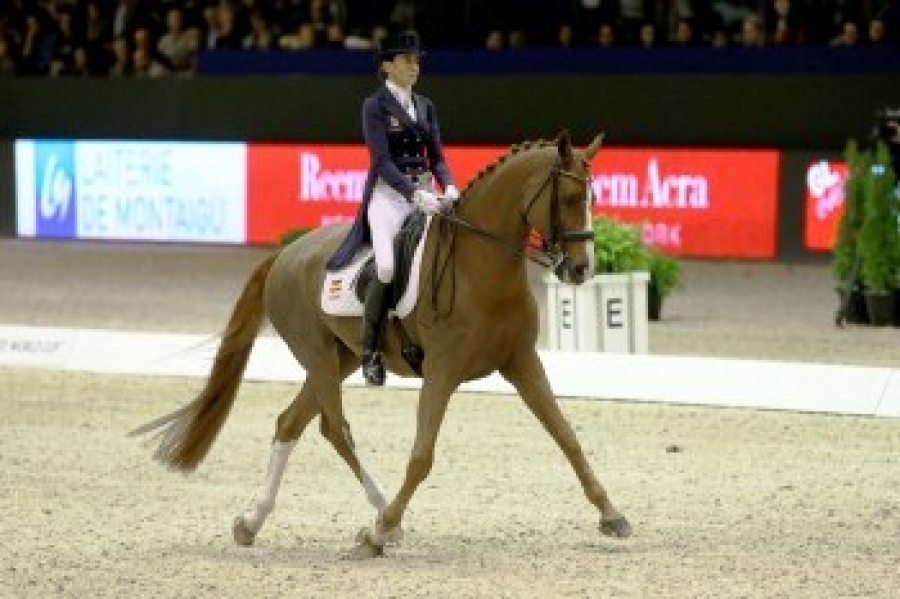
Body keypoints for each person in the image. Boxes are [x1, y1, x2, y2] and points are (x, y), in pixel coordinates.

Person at [326, 30, 459, 386]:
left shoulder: (426, 105)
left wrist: (449, 185)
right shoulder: (375, 106)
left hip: (426, 195)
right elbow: (382, 161)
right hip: (388, 198)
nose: (414, 67)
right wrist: (414, 194)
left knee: (436, 262)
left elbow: (438, 156)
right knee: (386, 267)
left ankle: (422, 337)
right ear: (388, 66)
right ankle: (370, 350)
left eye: (417, 61)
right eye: (406, 60)